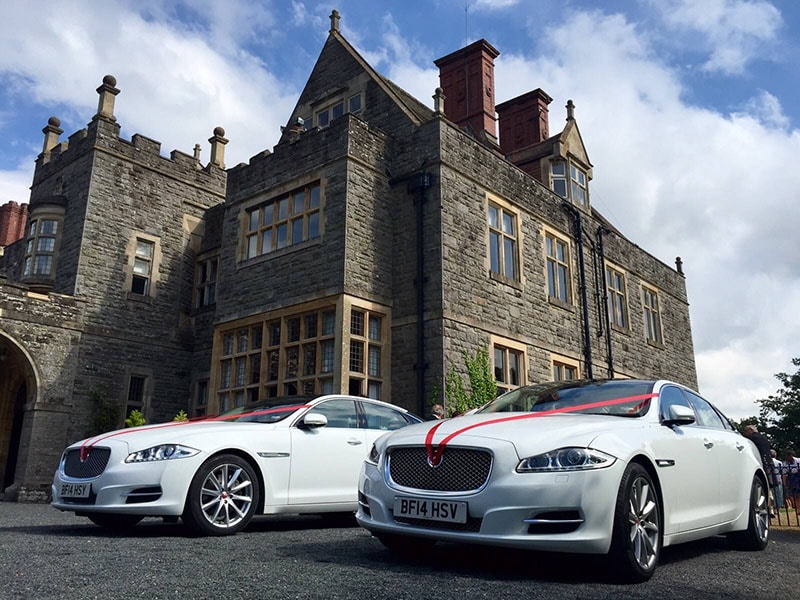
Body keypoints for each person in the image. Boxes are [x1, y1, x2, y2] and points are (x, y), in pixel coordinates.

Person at [742, 425, 775, 515]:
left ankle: (764, 507)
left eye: (746, 431)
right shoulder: (764, 438)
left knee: (760, 486)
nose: (745, 433)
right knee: (768, 486)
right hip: (769, 462)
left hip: (760, 462)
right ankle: (771, 508)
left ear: (750, 430)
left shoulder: (751, 438)